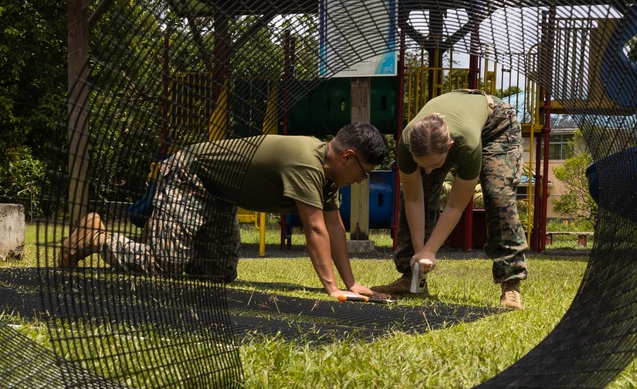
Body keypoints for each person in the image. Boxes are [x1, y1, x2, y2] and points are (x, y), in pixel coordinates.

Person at [60, 122, 389, 301]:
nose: (361, 180)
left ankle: (160, 235)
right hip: (190, 176)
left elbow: (334, 228)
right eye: (363, 173)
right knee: (167, 265)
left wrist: (352, 282)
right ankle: (98, 238)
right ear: (347, 157)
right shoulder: (307, 162)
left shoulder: (330, 178)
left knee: (217, 274)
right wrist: (332, 288)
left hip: (220, 194)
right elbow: (315, 229)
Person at [371, 89, 528, 309]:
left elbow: (455, 206)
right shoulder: (407, 142)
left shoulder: (467, 145)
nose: (427, 171)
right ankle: (412, 279)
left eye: (434, 164)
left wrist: (431, 250)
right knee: (413, 193)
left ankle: (511, 285)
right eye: (421, 165)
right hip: (447, 129)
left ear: (450, 147)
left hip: (496, 125)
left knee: (497, 194)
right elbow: (415, 200)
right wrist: (421, 252)